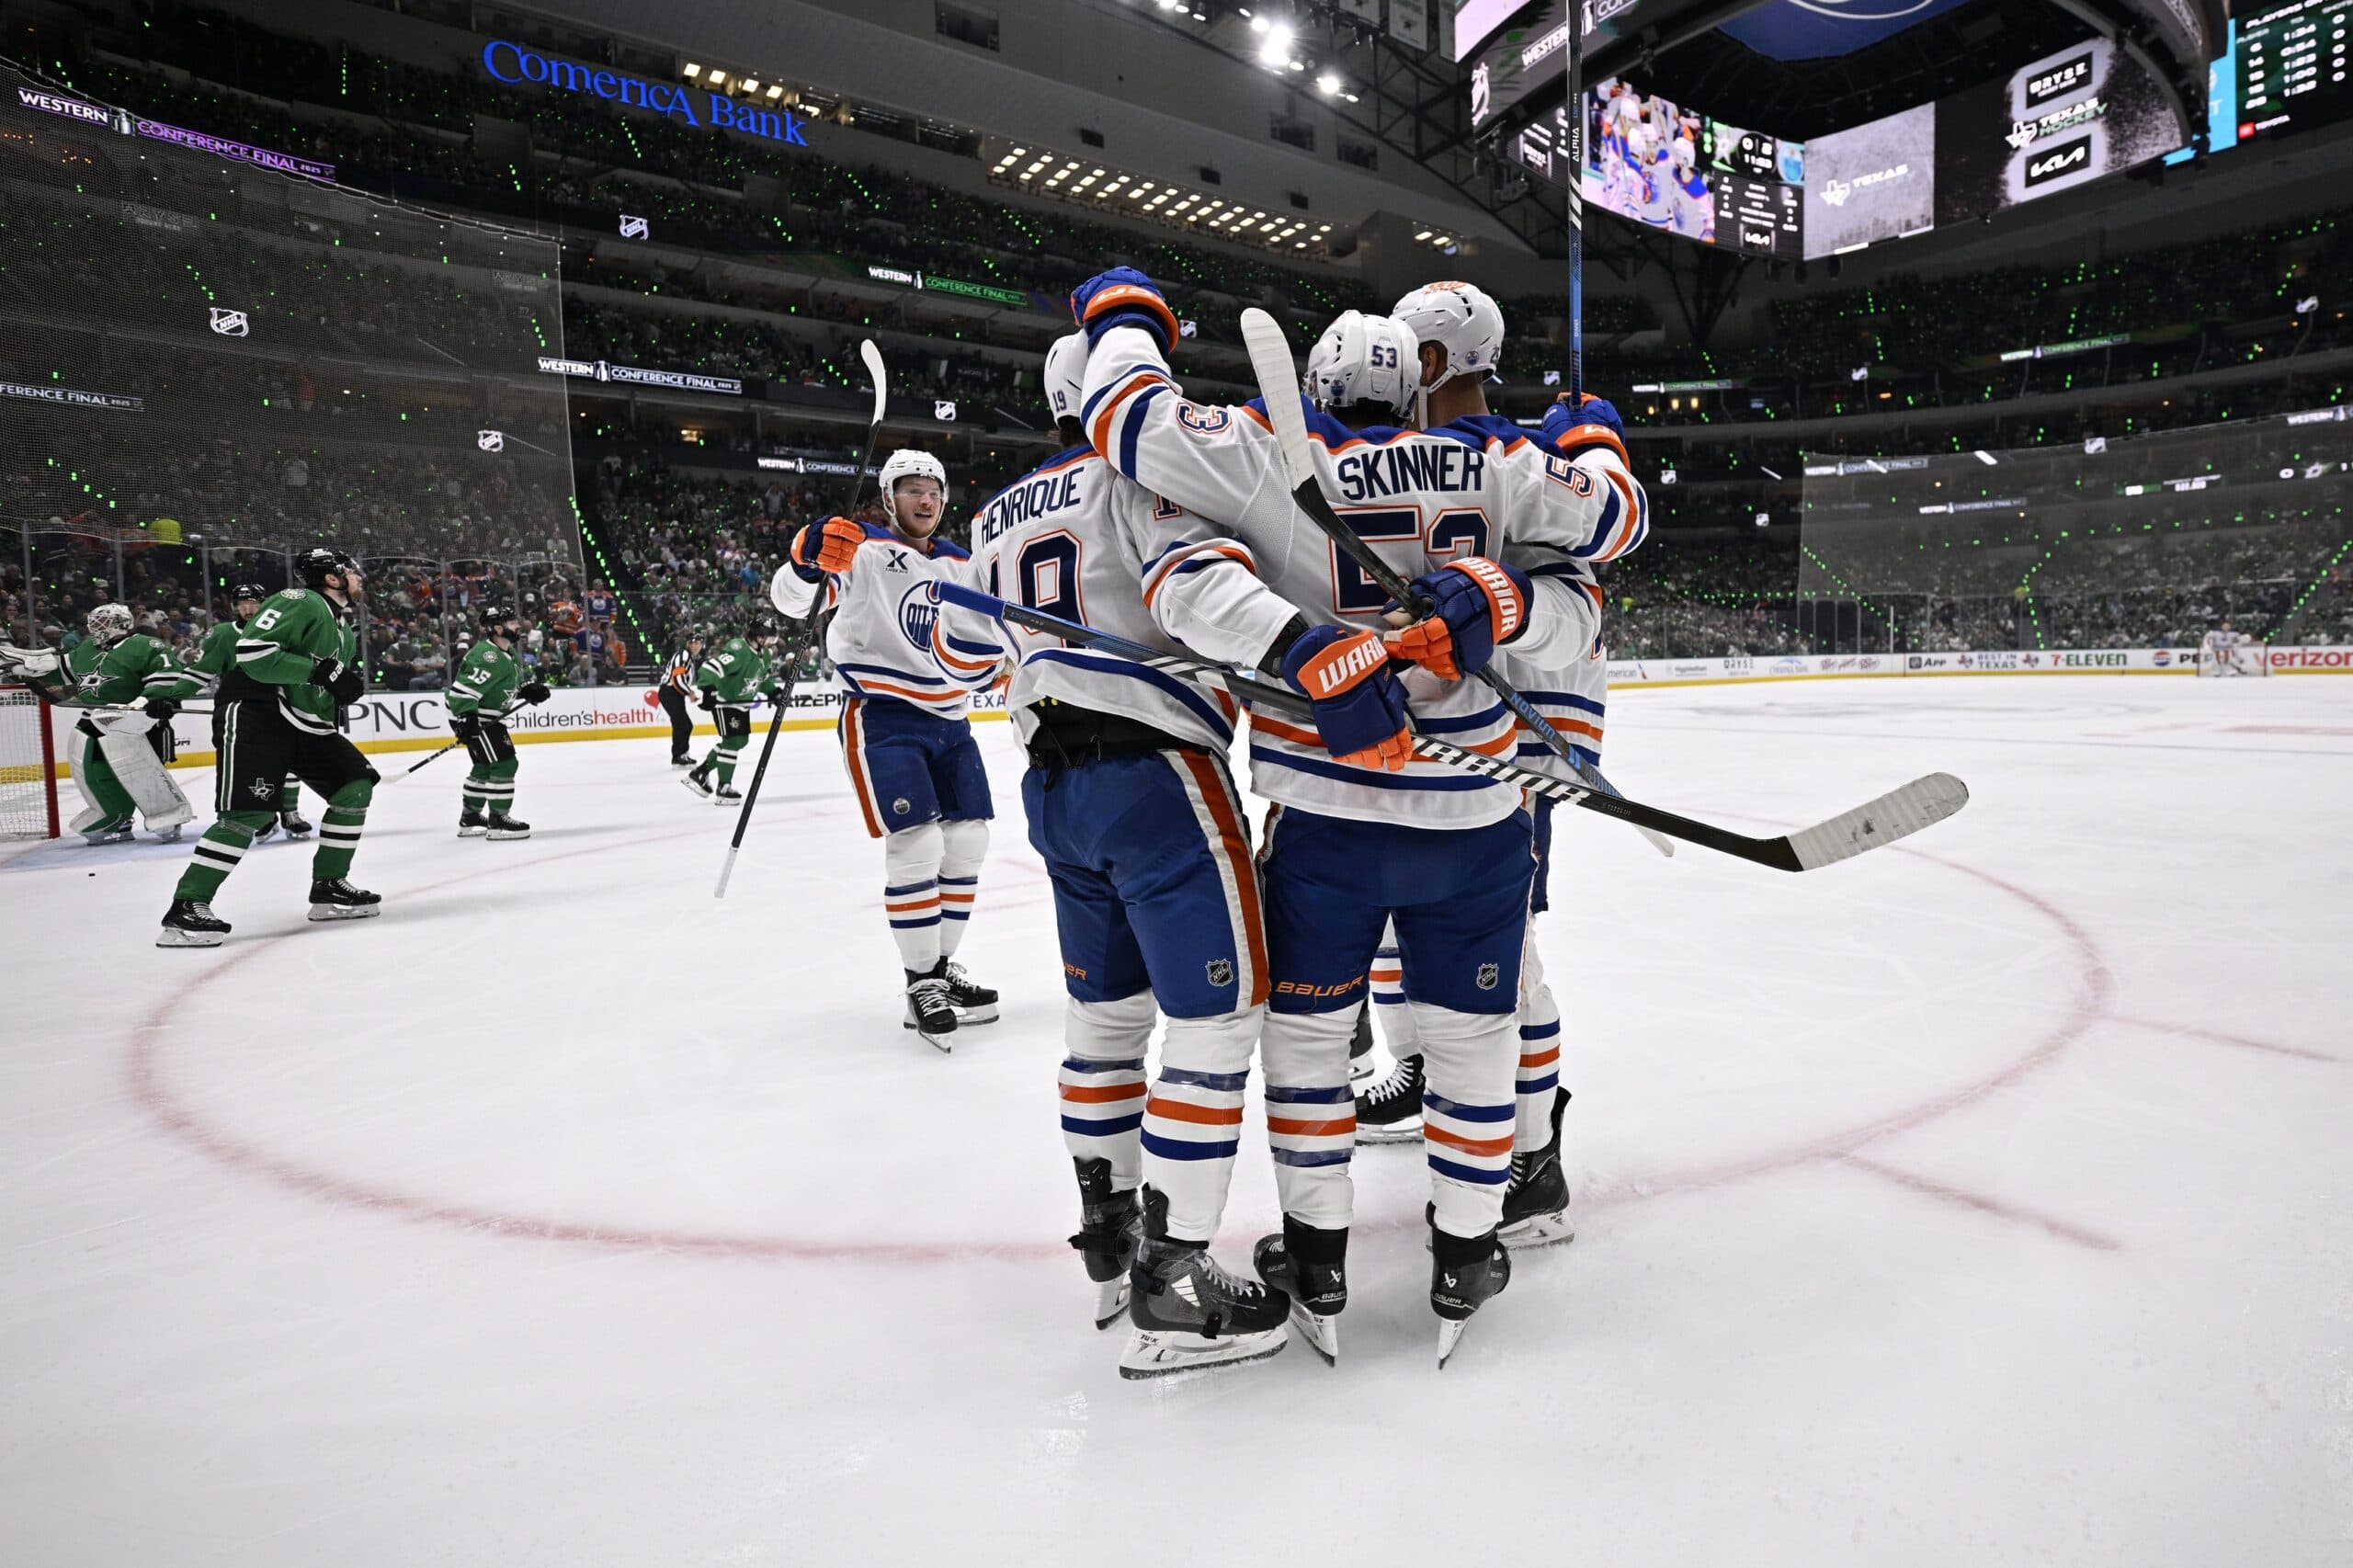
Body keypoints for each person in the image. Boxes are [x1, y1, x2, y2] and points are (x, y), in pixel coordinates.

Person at [1074, 272, 1643, 1358]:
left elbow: (1129, 424)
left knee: (1306, 1045)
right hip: (1476, 816)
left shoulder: (1262, 452)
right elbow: (1612, 540)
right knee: (1475, 1039)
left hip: (1325, 821)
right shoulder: (1505, 463)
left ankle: (1319, 1263)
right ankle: (1467, 1251)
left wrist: (1123, 313)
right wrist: (1522, 569)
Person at [931, 332, 1305, 1375]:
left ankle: (1110, 1243)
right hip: (1156, 777)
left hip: (1054, 791)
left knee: (1103, 1023)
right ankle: (1172, 1275)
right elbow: (1197, 595)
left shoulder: (993, 516)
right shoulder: (1131, 477)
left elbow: (955, 649)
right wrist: (1301, 647)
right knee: (1218, 1017)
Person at [770, 451, 999, 1048]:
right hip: (883, 716)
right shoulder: (860, 547)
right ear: (888, 497)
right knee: (917, 846)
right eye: (913, 489)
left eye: (935, 491)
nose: (926, 500)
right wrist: (806, 561)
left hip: (952, 719)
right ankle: (921, 982)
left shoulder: (961, 563)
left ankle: (940, 969)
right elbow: (792, 602)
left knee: (968, 841)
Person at [159, 547, 382, 947]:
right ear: (332, 578)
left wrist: (336, 690)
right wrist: (319, 671)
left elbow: (321, 679)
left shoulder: (342, 625)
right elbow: (253, 652)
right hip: (257, 712)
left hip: (304, 721)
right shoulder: (300, 599)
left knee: (354, 785)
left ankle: (329, 886)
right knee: (247, 813)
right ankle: (187, 908)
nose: (358, 577)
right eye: (351, 571)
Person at [13, 604, 202, 845]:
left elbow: (166, 676)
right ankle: (113, 815)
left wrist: (154, 699)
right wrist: (28, 669)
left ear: (123, 623)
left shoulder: (147, 645)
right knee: (88, 766)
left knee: (137, 768)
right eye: (94, 621)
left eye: (103, 621)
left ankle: (168, 813)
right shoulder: (86, 648)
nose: (96, 626)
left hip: (133, 716)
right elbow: (62, 670)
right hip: (92, 717)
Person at [190, 583, 310, 842]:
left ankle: (290, 812)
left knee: (290, 760)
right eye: (242, 605)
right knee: (253, 765)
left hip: (280, 702)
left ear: (263, 604)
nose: (247, 609)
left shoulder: (281, 629)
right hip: (245, 707)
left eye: (253, 603)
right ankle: (264, 816)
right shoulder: (224, 633)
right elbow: (204, 669)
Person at [448, 605, 552, 839]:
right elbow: (462, 691)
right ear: (497, 628)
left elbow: (500, 684)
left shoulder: (507, 651)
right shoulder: (488, 656)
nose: (518, 626)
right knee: (505, 763)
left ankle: (470, 817)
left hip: (482, 714)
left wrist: (526, 690)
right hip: (477, 715)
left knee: (484, 766)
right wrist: (466, 718)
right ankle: (498, 820)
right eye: (512, 622)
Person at [679, 622, 780, 804]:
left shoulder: (765, 654)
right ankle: (723, 788)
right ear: (758, 637)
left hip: (741, 704)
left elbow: (760, 679)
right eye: (769, 637)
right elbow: (710, 667)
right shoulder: (739, 650)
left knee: (739, 741)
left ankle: (700, 773)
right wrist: (708, 690)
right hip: (726, 702)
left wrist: (774, 692)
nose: (772, 642)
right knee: (733, 742)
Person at [656, 632, 704, 765]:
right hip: (670, 692)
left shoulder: (687, 657)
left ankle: (681, 754)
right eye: (694, 643)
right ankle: (679, 755)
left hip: (675, 693)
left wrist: (687, 693)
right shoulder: (683, 655)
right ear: (688, 644)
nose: (697, 646)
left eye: (699, 643)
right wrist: (689, 693)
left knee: (682, 725)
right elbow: (677, 679)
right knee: (684, 725)